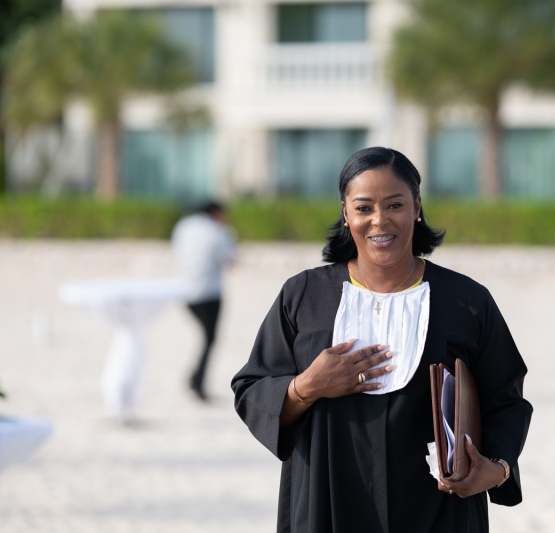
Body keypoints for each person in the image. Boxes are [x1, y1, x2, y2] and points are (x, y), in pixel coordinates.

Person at [231, 147, 532, 532]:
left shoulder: (467, 301)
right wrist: (307, 387)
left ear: (417, 206)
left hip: (441, 512)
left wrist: (498, 469)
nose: (379, 221)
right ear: (345, 213)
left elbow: (505, 400)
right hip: (327, 505)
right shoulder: (304, 296)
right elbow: (251, 390)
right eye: (363, 208)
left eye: (394, 205)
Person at [172, 200, 237, 401]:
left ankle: (195, 378)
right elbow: (231, 261)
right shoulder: (218, 231)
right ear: (216, 213)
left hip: (185, 291)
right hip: (209, 293)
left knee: (205, 337)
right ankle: (198, 383)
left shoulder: (183, 226)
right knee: (210, 338)